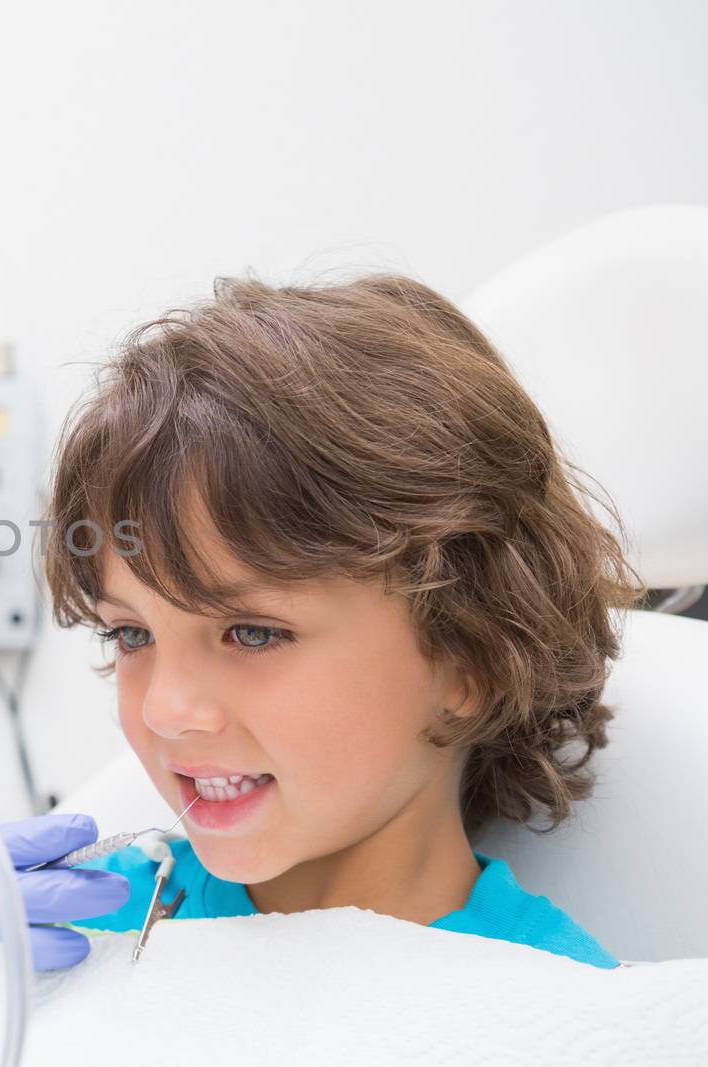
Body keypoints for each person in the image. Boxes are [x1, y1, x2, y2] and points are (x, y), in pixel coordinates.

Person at [42, 274, 641, 967]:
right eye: (132, 634)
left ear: (470, 654)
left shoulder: (564, 1016)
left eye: (253, 632)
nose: (165, 709)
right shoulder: (81, 930)